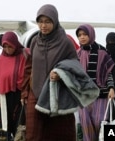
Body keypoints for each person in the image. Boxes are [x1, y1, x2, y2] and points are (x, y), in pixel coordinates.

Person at [22, 4, 79, 141]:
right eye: (40, 22)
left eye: (47, 22)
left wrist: (61, 74)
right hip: (35, 94)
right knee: (33, 134)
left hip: (57, 95)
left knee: (58, 134)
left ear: (55, 21)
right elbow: (29, 67)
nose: (43, 26)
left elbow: (75, 66)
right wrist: (25, 92)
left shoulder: (65, 42)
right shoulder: (35, 41)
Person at [76, 24, 115, 141]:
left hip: (100, 96)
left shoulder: (102, 52)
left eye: (85, 34)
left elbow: (108, 73)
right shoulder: (77, 53)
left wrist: (111, 88)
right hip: (83, 97)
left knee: (100, 124)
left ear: (91, 35)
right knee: (86, 127)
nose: (82, 37)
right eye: (79, 35)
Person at [0, 31, 26, 140]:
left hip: (21, 96)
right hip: (6, 97)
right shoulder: (1, 59)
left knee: (21, 125)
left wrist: (25, 95)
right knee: (10, 125)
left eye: (10, 46)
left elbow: (27, 77)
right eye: (4, 46)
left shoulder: (23, 56)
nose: (7, 49)